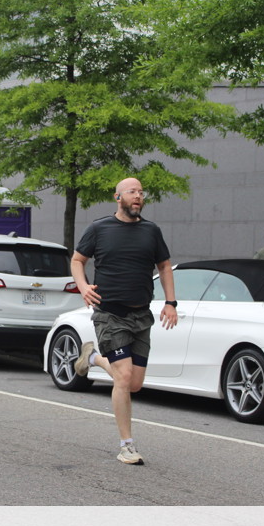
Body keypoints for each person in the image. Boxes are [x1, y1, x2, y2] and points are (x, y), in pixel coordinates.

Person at [70, 177, 177, 465]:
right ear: (118, 197)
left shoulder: (151, 231)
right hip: (110, 314)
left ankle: (93, 358)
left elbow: (164, 265)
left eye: (141, 192)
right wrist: (83, 286)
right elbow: (77, 260)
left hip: (141, 315)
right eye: (132, 192)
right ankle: (126, 445)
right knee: (124, 377)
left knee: (135, 384)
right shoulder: (99, 228)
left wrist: (171, 303)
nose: (138, 196)